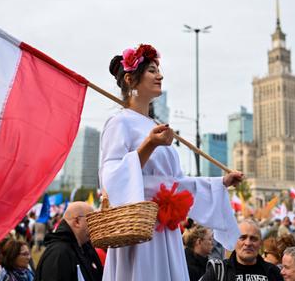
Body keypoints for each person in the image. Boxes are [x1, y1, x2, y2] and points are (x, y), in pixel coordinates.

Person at [99, 44, 245, 281]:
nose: (160, 75)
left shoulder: (155, 124)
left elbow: (175, 183)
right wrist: (150, 145)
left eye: (159, 70)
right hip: (139, 228)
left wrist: (221, 182)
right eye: (152, 70)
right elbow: (111, 176)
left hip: (166, 230)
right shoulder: (119, 123)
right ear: (130, 79)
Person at [35, 202, 103, 281]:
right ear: (77, 221)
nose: (95, 225)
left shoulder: (85, 247)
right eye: (92, 220)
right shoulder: (59, 253)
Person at [200, 220, 283, 281]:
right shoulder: (218, 271)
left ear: (260, 243)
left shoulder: (273, 272)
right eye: (242, 238)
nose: (248, 243)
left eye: (253, 239)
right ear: (234, 240)